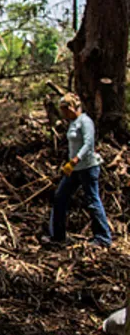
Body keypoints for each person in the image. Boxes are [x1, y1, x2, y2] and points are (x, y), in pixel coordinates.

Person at [47, 93, 112, 248]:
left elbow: (89, 144)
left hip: (88, 167)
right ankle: (58, 236)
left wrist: (76, 159)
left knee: (92, 200)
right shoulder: (73, 122)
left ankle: (103, 238)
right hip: (75, 170)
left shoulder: (85, 121)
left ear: (72, 108)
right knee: (60, 197)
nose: (63, 113)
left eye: (65, 110)